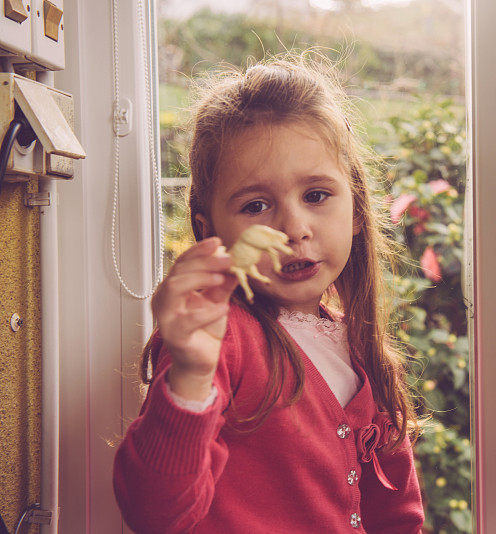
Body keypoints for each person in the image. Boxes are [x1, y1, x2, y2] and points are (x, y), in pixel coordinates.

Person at [113, 54, 426, 533]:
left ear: (358, 209)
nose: (294, 229)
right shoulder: (216, 343)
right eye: (256, 205)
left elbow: (398, 515)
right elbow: (155, 514)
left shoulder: (360, 347)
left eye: (317, 195)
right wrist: (193, 375)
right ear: (210, 230)